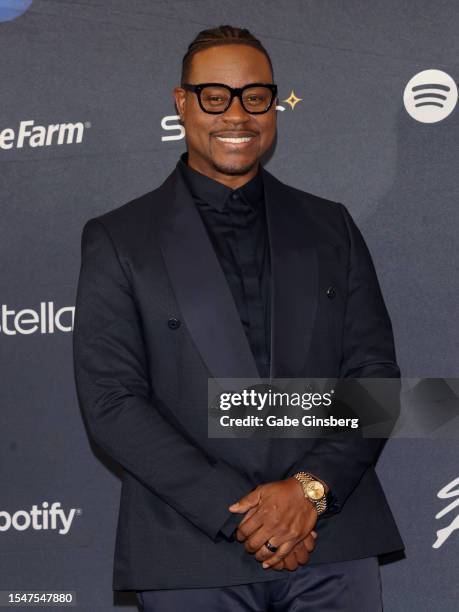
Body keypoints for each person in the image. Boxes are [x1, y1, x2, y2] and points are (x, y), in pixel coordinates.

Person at [73, 24, 404, 612]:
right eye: (214, 96)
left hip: (331, 538)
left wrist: (308, 492)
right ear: (182, 103)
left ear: (273, 105)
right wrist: (248, 513)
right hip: (189, 547)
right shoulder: (120, 239)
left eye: (255, 96)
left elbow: (374, 376)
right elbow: (112, 403)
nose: (237, 114)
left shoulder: (331, 227)